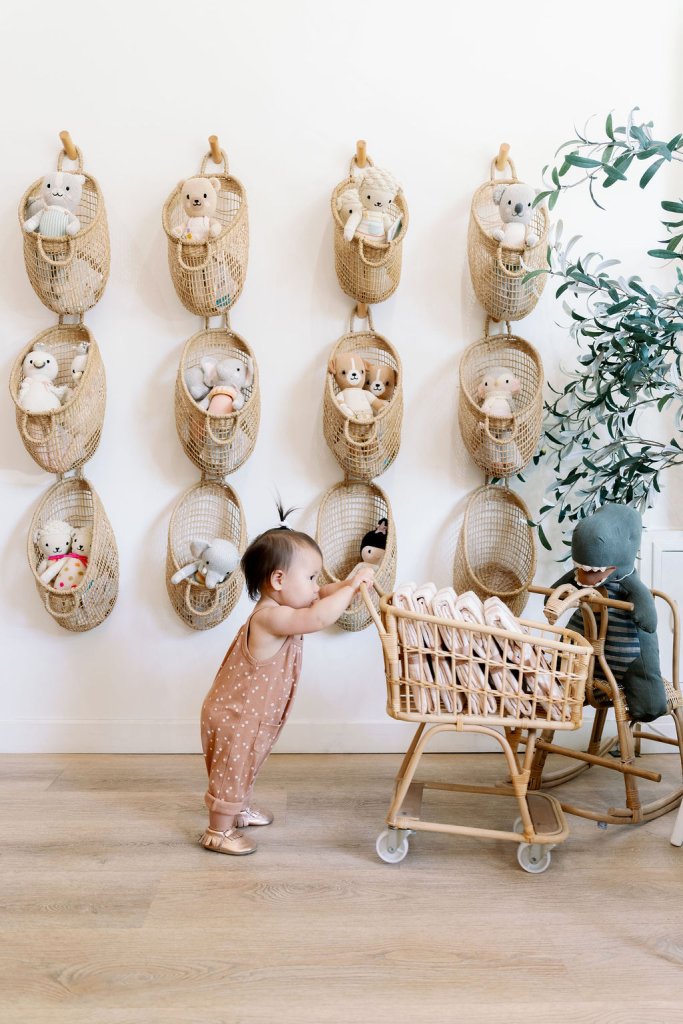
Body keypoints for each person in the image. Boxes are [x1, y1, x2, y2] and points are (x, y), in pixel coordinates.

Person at [199, 507, 376, 855]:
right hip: (237, 715)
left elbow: (323, 595)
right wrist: (353, 586)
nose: (316, 586)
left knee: (247, 764)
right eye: (310, 578)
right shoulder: (271, 618)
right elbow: (319, 616)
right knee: (232, 770)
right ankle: (217, 830)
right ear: (278, 581)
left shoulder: (286, 605)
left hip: (252, 713)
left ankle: (238, 811)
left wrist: (348, 586)